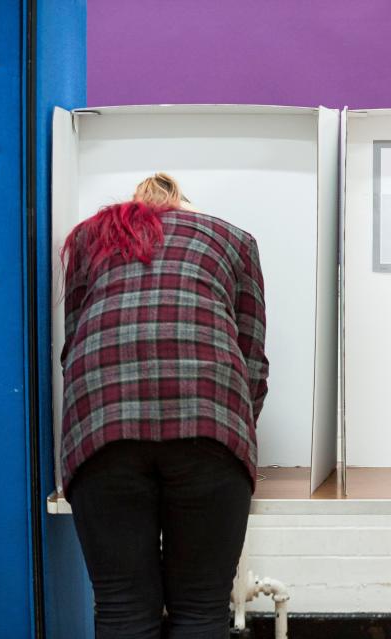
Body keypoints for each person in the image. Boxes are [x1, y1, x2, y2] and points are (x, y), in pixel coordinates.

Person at [60, 173, 269, 638]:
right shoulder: (232, 238)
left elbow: (72, 345)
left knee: (121, 607)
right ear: (187, 208)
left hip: (101, 426)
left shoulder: (90, 239)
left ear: (136, 207)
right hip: (209, 423)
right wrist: (232, 435)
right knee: (200, 608)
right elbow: (252, 359)